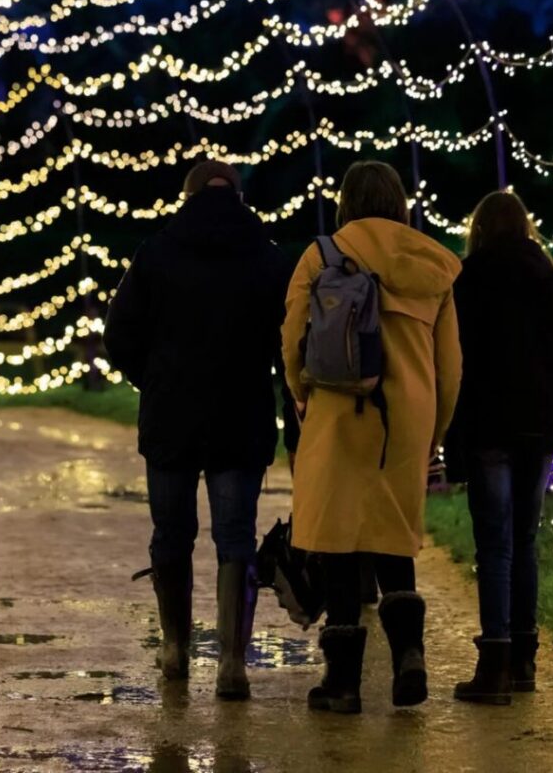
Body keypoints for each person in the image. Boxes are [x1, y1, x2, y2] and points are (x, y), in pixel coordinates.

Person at [104, 159, 294, 700]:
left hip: (171, 418)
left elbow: (119, 334)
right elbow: (289, 339)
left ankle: (175, 650)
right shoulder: (267, 257)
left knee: (172, 534)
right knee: (235, 538)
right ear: (237, 195)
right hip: (242, 415)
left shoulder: (156, 252)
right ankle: (233, 662)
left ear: (187, 196)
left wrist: (154, 378)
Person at [282, 160, 462, 714]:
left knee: (338, 544)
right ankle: (410, 656)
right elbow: (450, 366)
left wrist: (304, 399)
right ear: (400, 202)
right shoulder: (433, 265)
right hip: (405, 421)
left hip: (337, 411)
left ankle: (343, 683)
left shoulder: (322, 255)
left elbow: (291, 338)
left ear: (346, 202)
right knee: (393, 538)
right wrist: (433, 429)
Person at [451, 191, 553, 704]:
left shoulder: (469, 279)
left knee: (494, 545)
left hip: (490, 427)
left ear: (479, 229)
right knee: (525, 541)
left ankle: (493, 664)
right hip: (539, 428)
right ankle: (524, 662)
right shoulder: (549, 276)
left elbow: (458, 364)